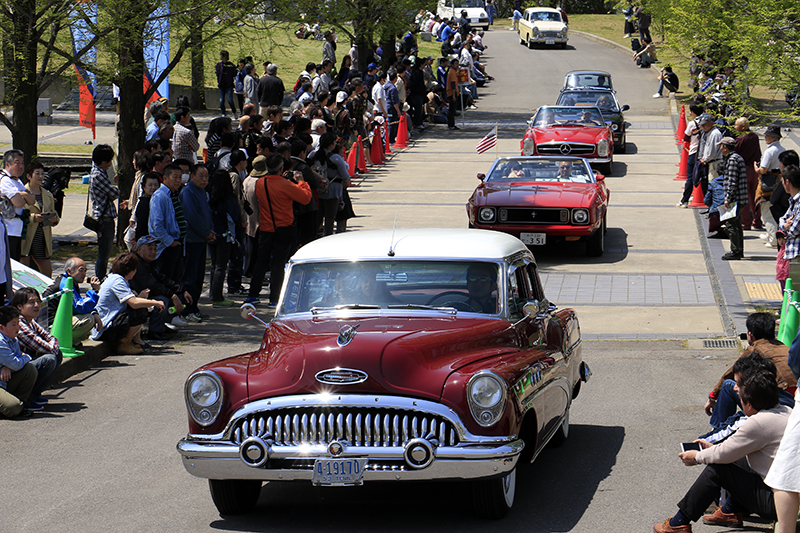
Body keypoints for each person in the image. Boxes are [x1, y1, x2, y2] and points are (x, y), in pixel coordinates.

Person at [653, 356, 791, 532]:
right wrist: (713, 450)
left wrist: (696, 457)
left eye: (739, 390)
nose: (735, 390)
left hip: (778, 502)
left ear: (749, 403)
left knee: (718, 467)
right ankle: (730, 511)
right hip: (787, 493)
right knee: (736, 461)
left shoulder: (759, 423)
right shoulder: (785, 410)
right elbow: (731, 450)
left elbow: (722, 455)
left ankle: (678, 523)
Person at [704, 313, 796, 431]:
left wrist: (713, 396)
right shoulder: (785, 347)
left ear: (750, 335)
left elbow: (731, 374)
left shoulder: (755, 349)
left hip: (779, 402)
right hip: (795, 401)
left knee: (727, 385)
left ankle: (717, 431)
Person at [245, 153, 312, 307]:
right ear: (281, 168)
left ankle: (253, 294)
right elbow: (305, 198)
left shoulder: (260, 183)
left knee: (261, 262)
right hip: (284, 227)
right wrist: (301, 182)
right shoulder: (285, 184)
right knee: (278, 263)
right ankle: (274, 297)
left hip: (266, 227)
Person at [90, 253, 166, 355]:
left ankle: (132, 341)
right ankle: (124, 344)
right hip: (105, 328)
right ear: (132, 270)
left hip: (108, 324)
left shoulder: (117, 279)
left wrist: (142, 298)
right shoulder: (117, 281)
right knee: (141, 311)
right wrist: (155, 302)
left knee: (141, 307)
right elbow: (134, 303)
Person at [129, 235, 191, 340]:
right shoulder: (136, 263)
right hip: (131, 297)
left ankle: (161, 326)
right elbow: (152, 285)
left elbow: (162, 279)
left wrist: (181, 290)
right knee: (162, 299)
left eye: (155, 248)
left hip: (141, 294)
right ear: (139, 249)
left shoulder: (148, 263)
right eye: (150, 248)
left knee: (169, 295)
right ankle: (155, 331)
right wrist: (173, 296)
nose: (153, 251)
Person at [11, 288, 59, 408]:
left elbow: (51, 337)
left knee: (57, 354)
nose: (37, 305)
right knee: (49, 359)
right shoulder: (19, 325)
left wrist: (53, 345)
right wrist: (53, 346)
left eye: (38, 301)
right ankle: (27, 399)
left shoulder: (30, 321)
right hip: (13, 370)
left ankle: (34, 395)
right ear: (19, 307)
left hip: (24, 363)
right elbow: (42, 346)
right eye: (31, 302)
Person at [179, 164, 214, 322]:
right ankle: (187, 309)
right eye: (201, 176)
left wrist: (210, 231)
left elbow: (207, 212)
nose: (204, 179)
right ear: (192, 175)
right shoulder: (188, 192)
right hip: (193, 239)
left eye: (206, 176)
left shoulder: (203, 192)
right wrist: (205, 233)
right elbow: (192, 216)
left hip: (202, 239)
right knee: (191, 276)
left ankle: (195, 306)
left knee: (200, 276)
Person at [42, 257, 103, 342]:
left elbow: (79, 301)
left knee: (90, 318)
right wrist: (94, 291)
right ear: (69, 271)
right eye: (81, 270)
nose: (84, 274)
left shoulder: (69, 281)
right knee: (88, 320)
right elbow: (80, 307)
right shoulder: (65, 284)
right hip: (51, 325)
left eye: (85, 271)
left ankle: (71, 342)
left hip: (59, 320)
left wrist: (94, 312)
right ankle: (62, 342)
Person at [88, 144, 125, 280]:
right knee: (104, 253)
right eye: (109, 160)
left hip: (105, 217)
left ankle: (101, 277)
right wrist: (113, 191)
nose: (110, 162)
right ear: (104, 161)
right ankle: (99, 279)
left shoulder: (98, 172)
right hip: (104, 219)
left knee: (105, 252)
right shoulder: (98, 175)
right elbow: (115, 193)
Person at [207, 169, 241, 308]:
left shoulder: (209, 196)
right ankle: (218, 297)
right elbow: (235, 217)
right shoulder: (229, 198)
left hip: (211, 234)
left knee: (214, 265)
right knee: (221, 266)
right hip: (226, 234)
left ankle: (213, 293)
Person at [21, 162, 59, 277]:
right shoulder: (22, 192)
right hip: (26, 237)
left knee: (47, 272)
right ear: (29, 176)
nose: (40, 176)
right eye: (37, 173)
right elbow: (17, 214)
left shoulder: (48, 195)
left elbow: (55, 214)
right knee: (24, 272)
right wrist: (33, 218)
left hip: (42, 237)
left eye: (42, 174)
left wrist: (54, 219)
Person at [148, 164, 186, 281]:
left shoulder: (173, 195)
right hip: (165, 247)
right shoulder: (160, 196)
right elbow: (157, 225)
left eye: (180, 177)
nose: (178, 180)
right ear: (165, 178)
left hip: (175, 244)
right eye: (175, 177)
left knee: (176, 280)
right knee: (166, 280)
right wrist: (170, 242)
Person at [0, 305, 37, 418]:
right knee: (13, 407)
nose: (18, 327)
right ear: (1, 327)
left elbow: (14, 361)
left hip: (4, 381)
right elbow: (15, 364)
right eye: (14, 324)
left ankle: (20, 402)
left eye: (18, 323)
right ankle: (13, 405)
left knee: (30, 369)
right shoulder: (1, 342)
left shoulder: (13, 338)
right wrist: (25, 357)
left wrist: (6, 366)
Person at [0, 149, 35, 261]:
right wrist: (24, 196)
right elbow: (18, 202)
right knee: (7, 264)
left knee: (14, 263)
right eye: (17, 162)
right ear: (7, 164)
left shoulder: (17, 181)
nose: (21, 166)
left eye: (22, 163)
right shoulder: (5, 180)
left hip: (16, 230)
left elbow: (32, 200)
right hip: (6, 230)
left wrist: (22, 194)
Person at [755, 124, 785, 249]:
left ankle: (773, 239)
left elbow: (763, 170)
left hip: (769, 182)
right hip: (780, 182)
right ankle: (772, 234)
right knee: (777, 211)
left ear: (773, 137)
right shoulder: (782, 149)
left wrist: (756, 168)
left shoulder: (769, 151)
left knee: (767, 212)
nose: (766, 137)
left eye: (767, 136)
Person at [719, 137, 748, 260]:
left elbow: (732, 181)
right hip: (740, 197)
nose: (720, 148)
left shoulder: (732, 160)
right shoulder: (737, 157)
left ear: (725, 147)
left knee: (731, 224)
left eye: (721, 146)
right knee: (736, 224)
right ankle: (739, 250)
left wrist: (728, 198)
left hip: (735, 198)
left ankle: (735, 251)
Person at [733, 117, 762, 230]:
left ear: (743, 127)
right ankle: (757, 221)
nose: (735, 128)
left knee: (744, 198)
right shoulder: (754, 136)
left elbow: (734, 150)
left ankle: (745, 223)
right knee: (755, 197)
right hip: (754, 169)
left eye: (736, 125)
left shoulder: (741, 138)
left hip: (744, 169)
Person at [779, 166, 800, 284]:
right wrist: (784, 226)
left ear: (787, 182)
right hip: (792, 253)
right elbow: (782, 219)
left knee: (797, 291)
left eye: (782, 180)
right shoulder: (793, 200)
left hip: (798, 254)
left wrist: (785, 228)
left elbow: (795, 229)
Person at [133, 173, 161, 241]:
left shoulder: (159, 201)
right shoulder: (144, 203)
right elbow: (142, 225)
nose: (153, 188)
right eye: (150, 185)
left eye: (155, 185)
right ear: (144, 187)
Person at [215, 50, 238, 117]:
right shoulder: (219, 65)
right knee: (221, 100)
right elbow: (217, 73)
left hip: (229, 85)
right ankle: (223, 113)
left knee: (230, 100)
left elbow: (234, 73)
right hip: (222, 85)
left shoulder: (230, 65)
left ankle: (234, 112)